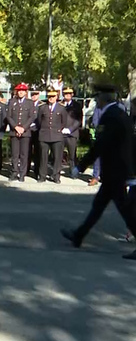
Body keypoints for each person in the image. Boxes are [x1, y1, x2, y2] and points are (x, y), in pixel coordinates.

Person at [61, 84, 136, 260]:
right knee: (99, 205)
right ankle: (78, 235)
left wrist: (81, 166)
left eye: (97, 98)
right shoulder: (121, 115)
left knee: (124, 209)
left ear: (104, 99)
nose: (96, 101)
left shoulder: (110, 117)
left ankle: (78, 235)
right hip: (118, 171)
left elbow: (100, 146)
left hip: (115, 172)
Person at [5, 83, 36, 182]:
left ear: (26, 92)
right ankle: (14, 172)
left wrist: (23, 128)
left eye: (22, 91)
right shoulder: (12, 101)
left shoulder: (29, 102)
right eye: (19, 91)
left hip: (25, 132)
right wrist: (15, 127)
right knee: (14, 154)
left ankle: (22, 173)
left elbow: (32, 117)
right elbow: (8, 116)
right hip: (14, 132)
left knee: (24, 154)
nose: (21, 92)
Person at [36, 88, 67, 183]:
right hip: (44, 135)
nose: (51, 98)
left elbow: (64, 122)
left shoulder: (61, 108)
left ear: (57, 97)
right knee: (43, 157)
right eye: (49, 96)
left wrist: (57, 130)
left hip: (56, 136)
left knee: (57, 158)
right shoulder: (42, 107)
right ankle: (42, 176)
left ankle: (56, 176)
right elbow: (39, 121)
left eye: (53, 96)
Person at [62, 87, 82, 178]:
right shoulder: (60, 104)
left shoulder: (77, 105)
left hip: (72, 133)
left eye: (69, 94)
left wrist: (70, 129)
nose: (67, 95)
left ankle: (73, 172)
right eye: (66, 94)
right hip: (61, 133)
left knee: (72, 155)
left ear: (72, 95)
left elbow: (78, 120)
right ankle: (56, 172)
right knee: (58, 154)